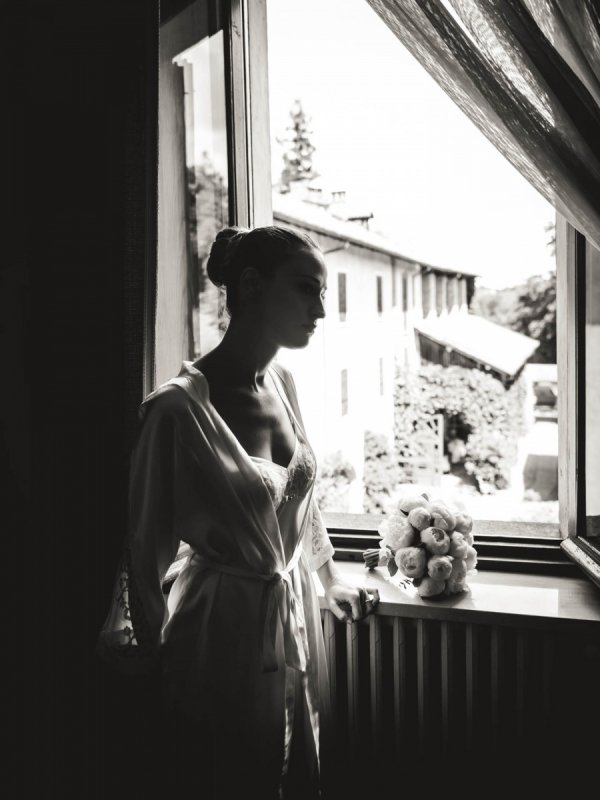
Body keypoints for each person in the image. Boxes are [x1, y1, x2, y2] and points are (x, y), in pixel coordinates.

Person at [97, 225, 379, 799]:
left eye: (322, 293)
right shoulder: (175, 411)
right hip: (216, 634)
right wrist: (145, 662)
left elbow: (299, 497)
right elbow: (143, 549)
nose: (321, 310)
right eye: (307, 289)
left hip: (291, 613)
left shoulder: (283, 383)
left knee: (290, 767)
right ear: (251, 285)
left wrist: (328, 578)